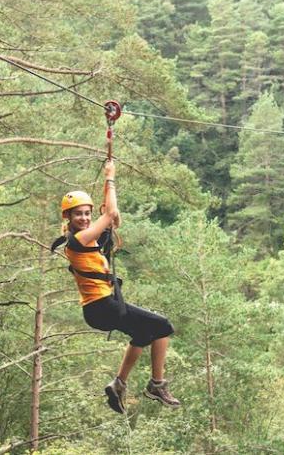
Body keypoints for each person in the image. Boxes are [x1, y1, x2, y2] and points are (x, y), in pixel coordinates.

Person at [58, 160, 180, 414]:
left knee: (145, 335)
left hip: (101, 308)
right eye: (77, 214)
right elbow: (110, 214)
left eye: (86, 214)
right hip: (102, 307)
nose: (83, 218)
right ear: (67, 217)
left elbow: (110, 214)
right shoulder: (78, 240)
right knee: (163, 326)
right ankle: (157, 384)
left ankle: (119, 383)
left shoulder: (88, 237)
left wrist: (107, 186)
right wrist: (110, 177)